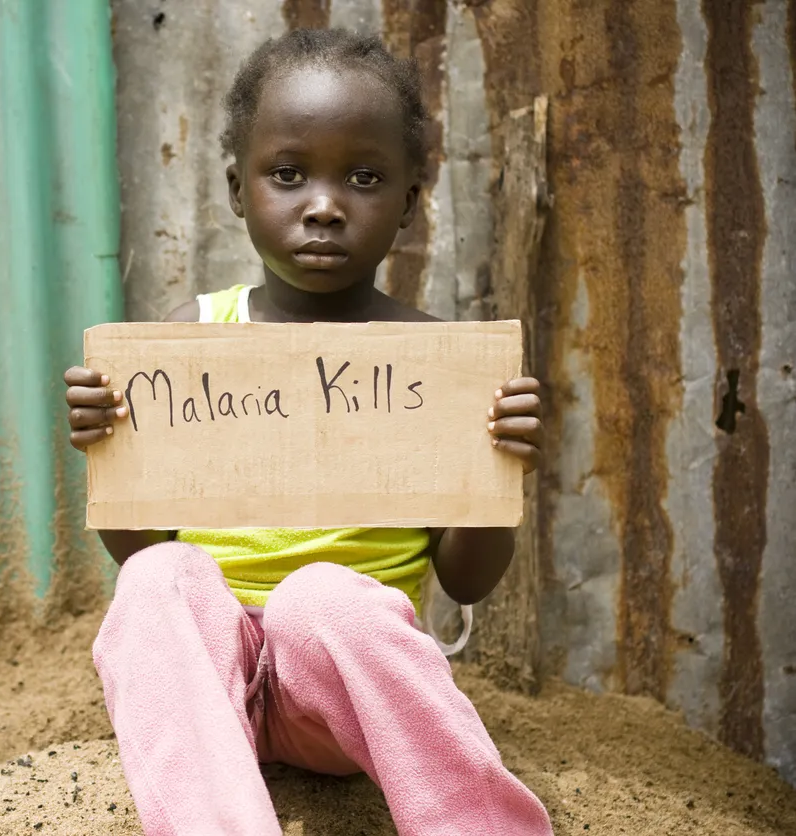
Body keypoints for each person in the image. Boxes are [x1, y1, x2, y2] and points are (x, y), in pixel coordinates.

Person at [62, 27, 552, 836]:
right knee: (158, 583)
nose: (323, 206)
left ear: (409, 204)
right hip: (207, 697)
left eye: (364, 178)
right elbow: (140, 550)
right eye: (288, 175)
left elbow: (466, 583)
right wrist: (111, 455)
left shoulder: (435, 365)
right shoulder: (193, 338)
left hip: (337, 703)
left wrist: (495, 475)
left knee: (319, 597)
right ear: (237, 188)